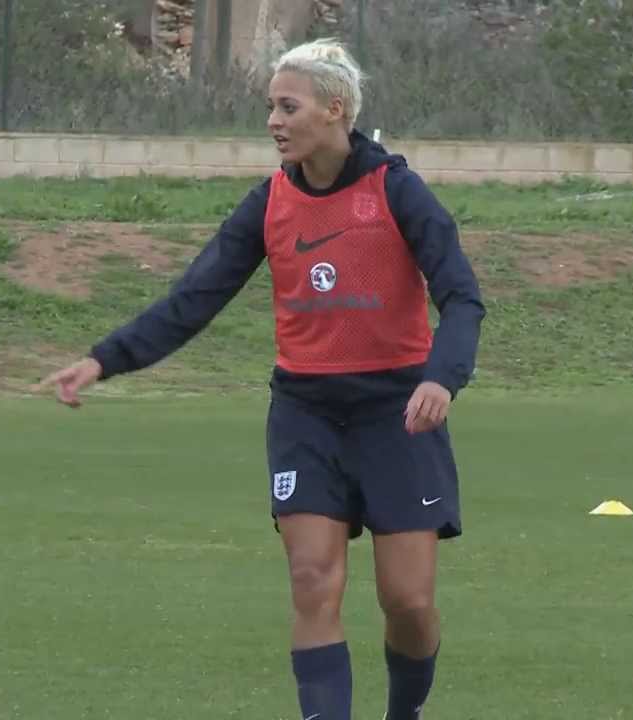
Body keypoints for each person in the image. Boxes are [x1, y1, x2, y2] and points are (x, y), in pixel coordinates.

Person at [35, 38, 485, 719]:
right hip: (306, 412)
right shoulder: (270, 202)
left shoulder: (395, 189)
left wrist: (442, 379)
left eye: (287, 106)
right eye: (270, 106)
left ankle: (406, 712)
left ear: (335, 110)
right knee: (312, 581)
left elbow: (462, 296)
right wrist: (106, 358)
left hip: (399, 410)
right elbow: (196, 296)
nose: (273, 120)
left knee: (410, 602)